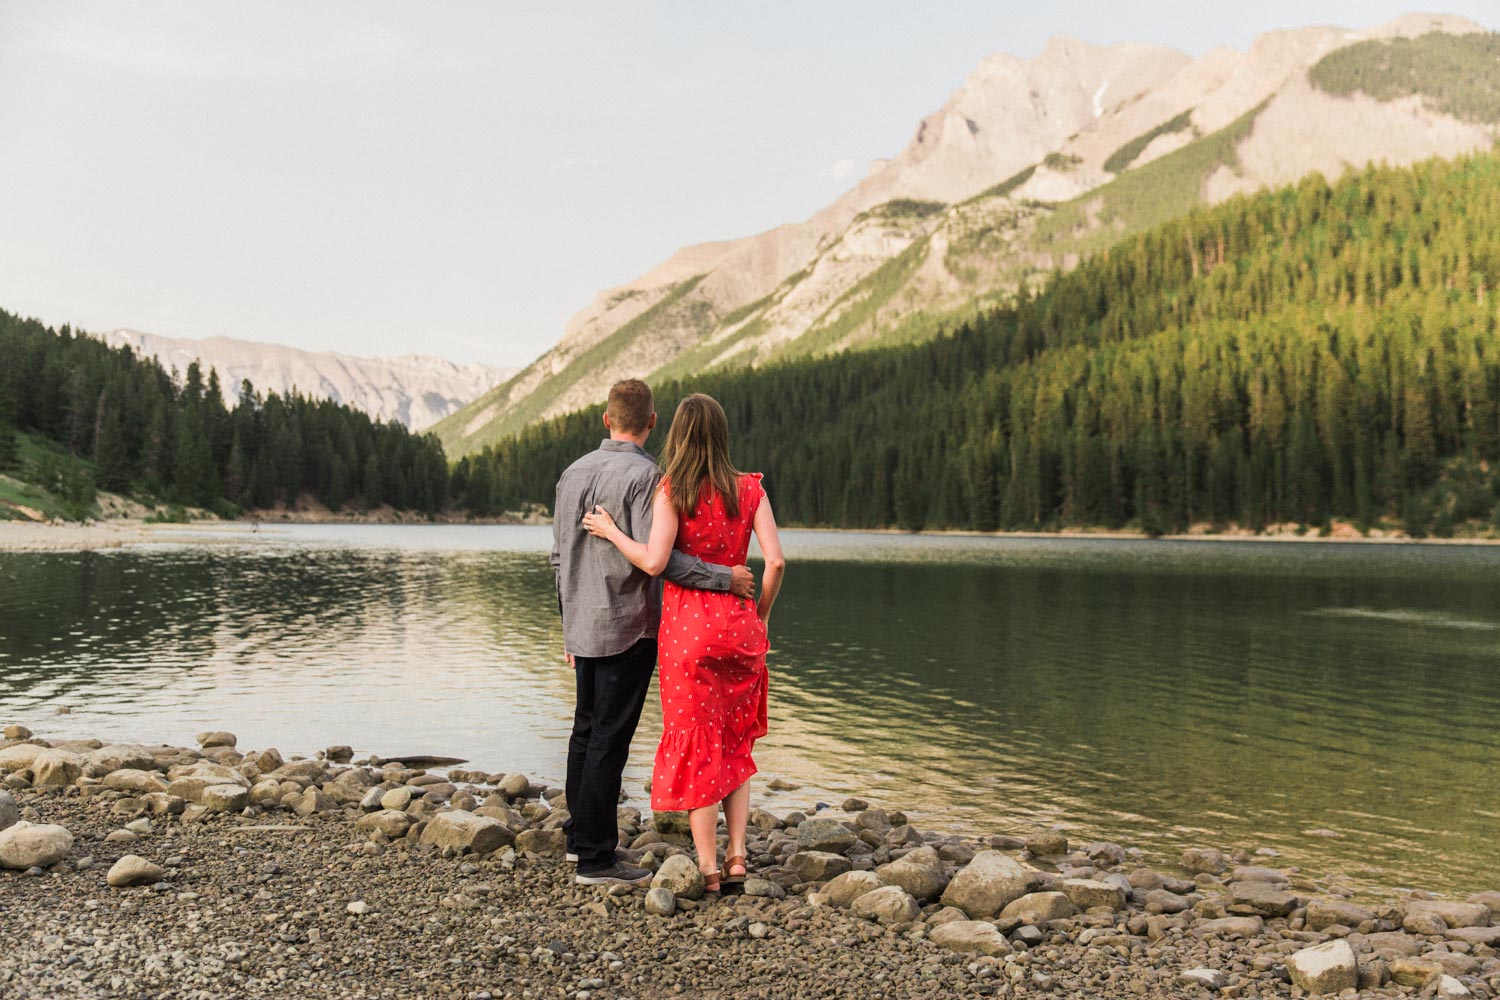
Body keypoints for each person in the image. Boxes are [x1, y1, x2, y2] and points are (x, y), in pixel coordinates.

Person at [551, 379, 755, 886]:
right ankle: (597, 858)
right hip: (629, 626)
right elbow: (662, 562)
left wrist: (567, 624)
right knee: (609, 739)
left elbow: (559, 560)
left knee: (584, 731)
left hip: (582, 624)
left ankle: (580, 840)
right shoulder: (648, 477)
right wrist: (725, 577)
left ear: (606, 419)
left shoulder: (571, 474)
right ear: (652, 423)